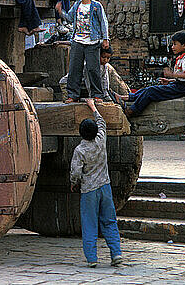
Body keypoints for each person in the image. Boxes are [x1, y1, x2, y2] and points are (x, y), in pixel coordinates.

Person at [71, 98, 123, 268]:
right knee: (109, 221)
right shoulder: (100, 140)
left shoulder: (80, 150)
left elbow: (76, 172)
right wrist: (92, 106)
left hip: (89, 191)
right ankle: (116, 254)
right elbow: (101, 122)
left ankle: (92, 258)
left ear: (81, 133)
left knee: (90, 223)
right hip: (105, 187)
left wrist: (73, 182)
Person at [116, 30, 185, 117]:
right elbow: (182, 77)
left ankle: (132, 111)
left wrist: (172, 75)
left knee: (151, 92)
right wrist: (169, 80)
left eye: (175, 44)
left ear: (184, 45)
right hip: (179, 85)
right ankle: (128, 97)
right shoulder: (181, 57)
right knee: (149, 88)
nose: (172, 47)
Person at [59, 0, 109, 103]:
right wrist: (61, 12)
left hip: (92, 42)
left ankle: (97, 94)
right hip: (77, 41)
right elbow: (70, 18)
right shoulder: (76, 5)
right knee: (74, 69)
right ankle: (73, 95)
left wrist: (105, 39)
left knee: (93, 69)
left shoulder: (96, 6)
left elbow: (103, 22)